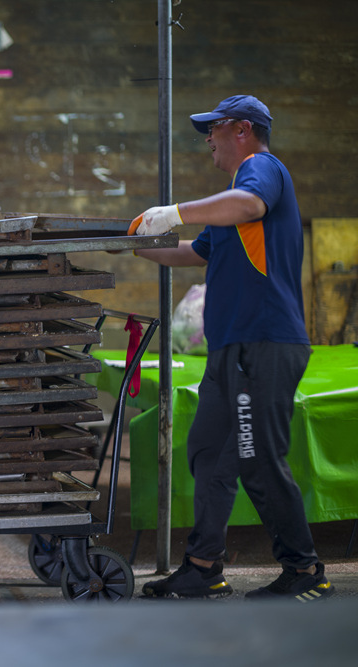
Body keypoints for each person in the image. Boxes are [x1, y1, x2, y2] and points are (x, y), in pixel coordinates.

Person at [131, 95, 334, 601]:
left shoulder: (261, 171)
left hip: (263, 342)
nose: (209, 139)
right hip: (230, 349)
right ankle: (203, 566)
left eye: (214, 129)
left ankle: (305, 569)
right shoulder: (229, 202)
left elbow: (250, 205)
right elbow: (193, 252)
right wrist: (132, 242)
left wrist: (174, 210)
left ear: (243, 129)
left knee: (257, 457)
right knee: (208, 453)